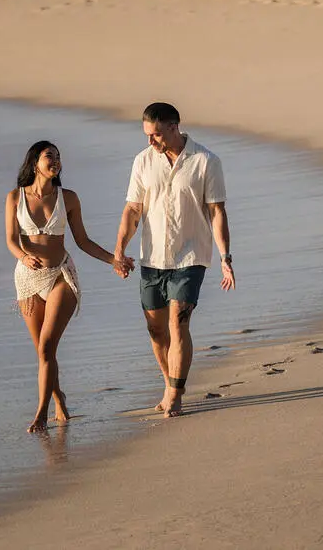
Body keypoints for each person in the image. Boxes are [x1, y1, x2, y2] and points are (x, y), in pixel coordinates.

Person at [112, 103, 234, 418]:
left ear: (173, 126)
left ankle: (176, 394)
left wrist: (225, 257)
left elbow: (216, 212)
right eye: (147, 135)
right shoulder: (143, 161)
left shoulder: (206, 161)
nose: (150, 141)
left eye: (155, 135)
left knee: (177, 321)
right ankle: (169, 383)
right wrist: (119, 249)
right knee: (156, 330)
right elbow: (133, 210)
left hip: (191, 254)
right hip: (152, 257)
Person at [7, 140, 131, 433]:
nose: (56, 161)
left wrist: (114, 260)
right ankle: (58, 396)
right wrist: (24, 256)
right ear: (35, 162)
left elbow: (83, 241)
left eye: (59, 157)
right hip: (26, 279)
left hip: (61, 275)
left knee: (48, 346)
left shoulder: (69, 198)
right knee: (43, 352)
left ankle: (40, 414)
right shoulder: (15, 198)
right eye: (50, 156)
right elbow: (11, 240)